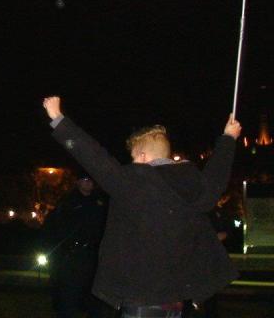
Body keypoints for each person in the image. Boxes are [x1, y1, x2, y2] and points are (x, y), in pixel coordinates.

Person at [42, 96, 241, 318]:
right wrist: (228, 139)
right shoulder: (194, 186)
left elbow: (95, 158)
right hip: (178, 298)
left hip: (141, 297)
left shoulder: (135, 183)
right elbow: (216, 176)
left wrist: (58, 119)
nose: (131, 163)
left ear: (144, 156)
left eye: (133, 157)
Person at [41, 175, 108, 318]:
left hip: (92, 255)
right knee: (68, 296)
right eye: (85, 180)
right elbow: (54, 228)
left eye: (91, 180)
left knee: (95, 298)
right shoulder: (68, 202)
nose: (89, 183)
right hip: (72, 255)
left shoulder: (100, 202)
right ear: (78, 182)